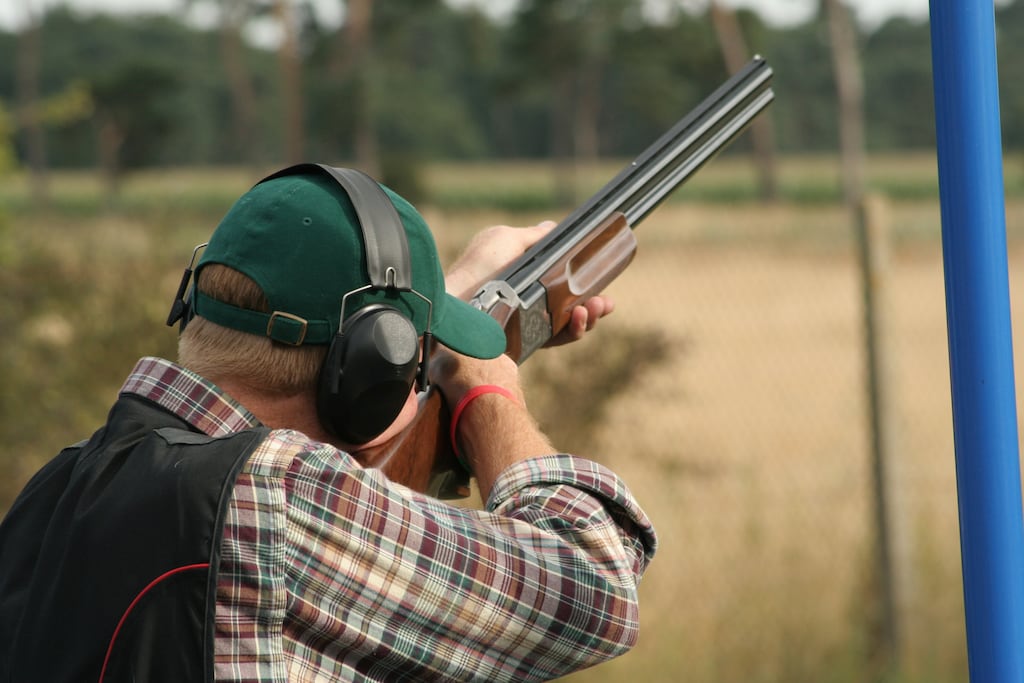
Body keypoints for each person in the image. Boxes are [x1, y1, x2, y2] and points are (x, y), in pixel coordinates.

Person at [0, 163, 658, 682]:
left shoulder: (62, 490)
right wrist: (488, 391)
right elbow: (595, 582)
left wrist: (431, 311)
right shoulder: (276, 497)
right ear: (363, 384)